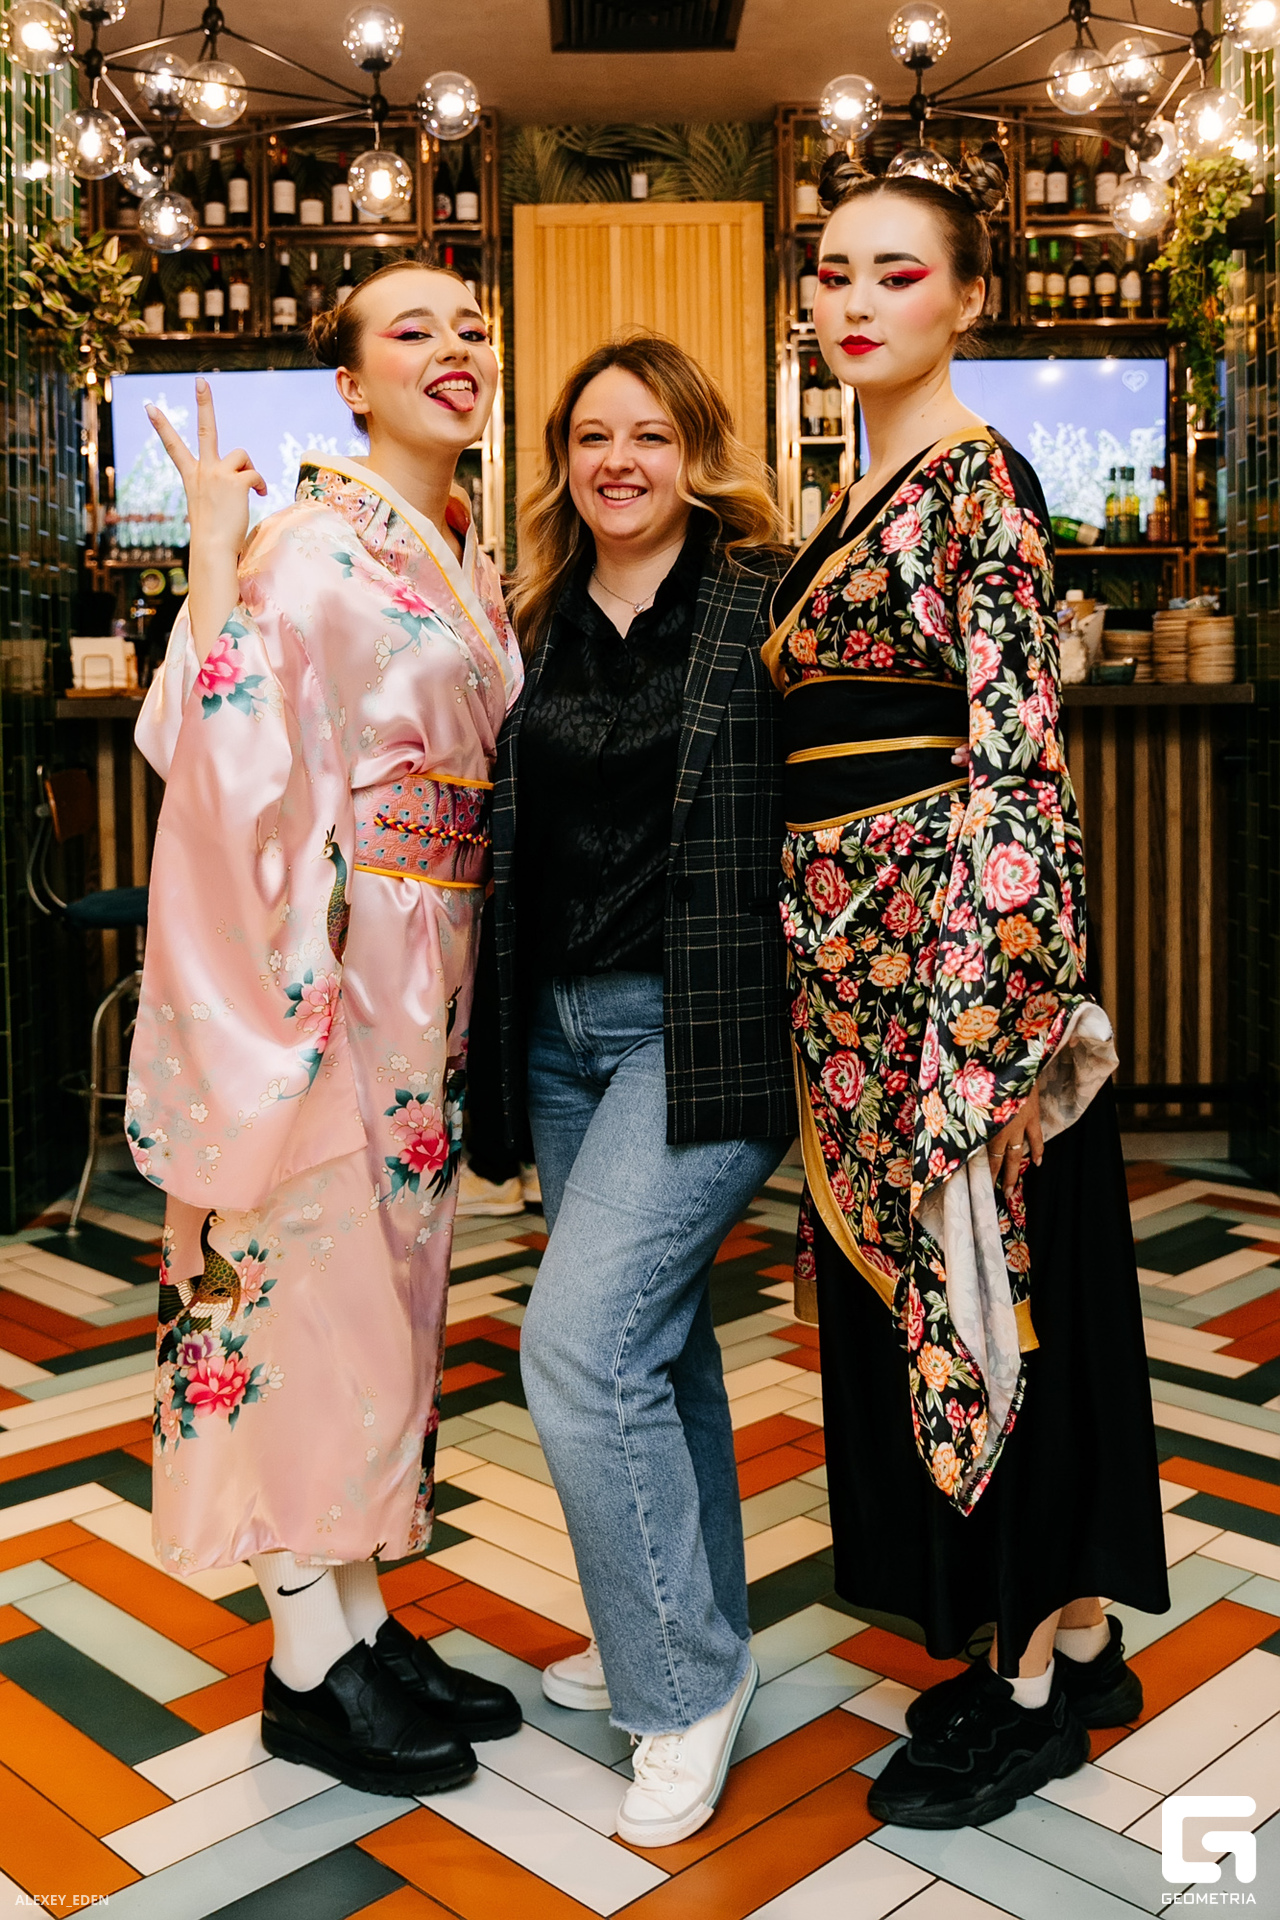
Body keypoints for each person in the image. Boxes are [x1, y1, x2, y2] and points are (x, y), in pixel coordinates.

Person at [765, 151, 1169, 1829]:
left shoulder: (977, 477)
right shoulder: (856, 491)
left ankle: (1029, 1690)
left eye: (898, 272)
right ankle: (1067, 1638)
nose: (857, 301)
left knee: (995, 1301)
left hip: (951, 987)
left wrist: (995, 1038)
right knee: (949, 1307)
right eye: (835, 273)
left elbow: (1018, 757)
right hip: (856, 985)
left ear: (967, 298)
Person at [132, 261, 524, 1797]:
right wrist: (210, 547)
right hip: (338, 960)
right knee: (302, 1281)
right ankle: (305, 1656)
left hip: (431, 972)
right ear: (351, 385)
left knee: (384, 1298)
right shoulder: (306, 543)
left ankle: (358, 1614)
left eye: (471, 326)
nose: (454, 347)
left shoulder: (456, 549)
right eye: (412, 330)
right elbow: (207, 732)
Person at [492, 335, 794, 1846]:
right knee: (657, 1351)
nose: (620, 460)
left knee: (578, 1345)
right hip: (557, 1034)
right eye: (594, 435)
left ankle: (676, 1689)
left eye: (652, 434)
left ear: (698, 451)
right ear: (563, 459)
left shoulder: (764, 597)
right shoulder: (529, 616)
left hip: (704, 1025)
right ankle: (686, 1629)